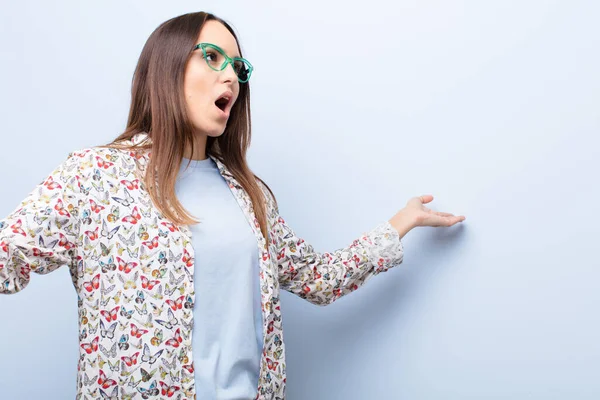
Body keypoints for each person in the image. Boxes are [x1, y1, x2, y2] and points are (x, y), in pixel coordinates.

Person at [0, 11, 466, 400]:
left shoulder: (249, 195)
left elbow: (319, 279)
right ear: (166, 66)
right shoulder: (94, 177)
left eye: (239, 67)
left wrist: (400, 222)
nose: (231, 76)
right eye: (213, 57)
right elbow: (9, 256)